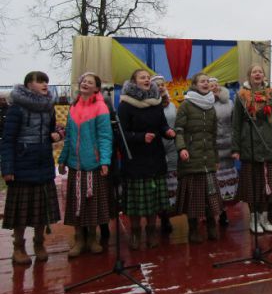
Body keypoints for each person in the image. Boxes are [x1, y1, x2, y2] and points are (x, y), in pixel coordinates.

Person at [1, 71, 62, 264]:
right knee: (21, 211)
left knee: (41, 209)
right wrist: (8, 168)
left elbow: (53, 131)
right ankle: (18, 246)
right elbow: (8, 140)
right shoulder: (16, 108)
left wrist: (58, 134)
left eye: (46, 81)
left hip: (43, 162)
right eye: (40, 81)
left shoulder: (48, 107)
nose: (45, 84)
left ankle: (39, 242)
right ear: (28, 85)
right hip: (22, 164)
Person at [232, 64, 272, 233]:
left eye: (260, 71)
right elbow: (236, 124)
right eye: (254, 72)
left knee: (268, 184)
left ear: (264, 75)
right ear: (249, 75)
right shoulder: (240, 96)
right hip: (249, 144)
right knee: (253, 185)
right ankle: (253, 219)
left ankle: (264, 217)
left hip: (269, 144)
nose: (257, 74)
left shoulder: (271, 94)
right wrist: (235, 147)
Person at [118, 69, 176, 250]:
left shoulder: (156, 102)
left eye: (148, 78)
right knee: (136, 204)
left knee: (154, 202)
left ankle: (151, 232)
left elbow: (161, 124)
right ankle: (135, 233)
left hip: (156, 157)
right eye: (142, 77)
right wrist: (140, 137)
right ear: (134, 82)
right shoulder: (126, 105)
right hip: (135, 160)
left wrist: (167, 131)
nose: (147, 80)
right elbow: (121, 134)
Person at [58, 72, 113, 257]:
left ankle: (92, 237)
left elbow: (105, 137)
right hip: (75, 165)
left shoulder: (101, 107)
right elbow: (69, 137)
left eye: (90, 82)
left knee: (92, 203)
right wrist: (63, 159)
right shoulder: (73, 107)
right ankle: (78, 239)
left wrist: (105, 160)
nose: (85, 83)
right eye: (84, 81)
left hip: (94, 164)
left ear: (97, 88)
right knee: (76, 204)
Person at [175, 72, 222, 243]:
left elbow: (213, 135)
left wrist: (216, 159)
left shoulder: (211, 107)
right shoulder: (186, 105)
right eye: (202, 81)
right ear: (194, 84)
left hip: (207, 159)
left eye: (208, 81)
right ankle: (193, 229)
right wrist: (181, 148)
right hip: (191, 158)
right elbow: (179, 130)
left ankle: (211, 226)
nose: (206, 83)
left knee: (211, 197)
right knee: (193, 198)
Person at [208, 77, 239, 227]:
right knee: (212, 182)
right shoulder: (202, 104)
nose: (213, 87)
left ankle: (223, 212)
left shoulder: (229, 103)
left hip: (227, 146)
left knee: (224, 185)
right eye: (210, 85)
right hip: (210, 149)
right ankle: (211, 212)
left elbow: (235, 125)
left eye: (216, 85)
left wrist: (235, 145)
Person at [151, 75, 177, 234]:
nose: (160, 87)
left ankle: (170, 214)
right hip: (156, 148)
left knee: (172, 182)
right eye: (157, 85)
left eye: (162, 84)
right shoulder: (149, 105)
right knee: (160, 184)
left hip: (172, 148)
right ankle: (162, 217)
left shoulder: (172, 105)